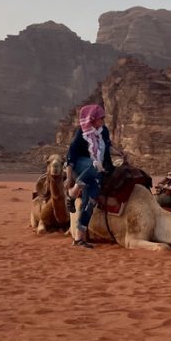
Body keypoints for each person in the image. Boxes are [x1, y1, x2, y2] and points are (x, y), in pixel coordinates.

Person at [65, 104, 115, 248]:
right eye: (101, 118)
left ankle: (79, 239)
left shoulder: (103, 131)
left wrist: (120, 152)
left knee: (90, 201)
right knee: (95, 164)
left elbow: (107, 146)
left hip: (96, 171)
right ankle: (73, 193)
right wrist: (69, 178)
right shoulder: (81, 134)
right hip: (81, 166)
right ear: (92, 119)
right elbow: (71, 156)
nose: (103, 120)